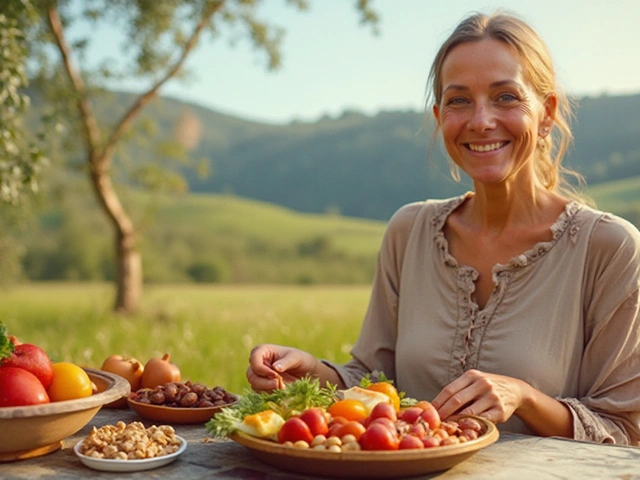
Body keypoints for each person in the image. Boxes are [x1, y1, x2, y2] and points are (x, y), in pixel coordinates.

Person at [247, 11, 640, 445]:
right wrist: (311, 371)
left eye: (506, 97)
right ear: (439, 117)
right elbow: (372, 382)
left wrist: (525, 398)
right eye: (459, 100)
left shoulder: (609, 248)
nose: (480, 120)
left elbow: (625, 430)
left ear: (545, 113)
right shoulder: (409, 231)